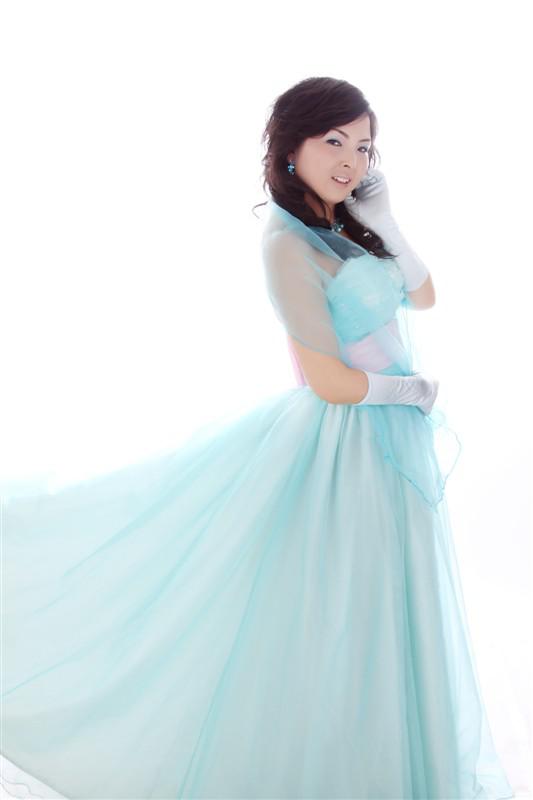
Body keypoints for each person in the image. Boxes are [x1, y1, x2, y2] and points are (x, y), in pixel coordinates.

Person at [0, 76, 514, 800]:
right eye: (333, 141)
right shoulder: (285, 245)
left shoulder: (345, 229)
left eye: (363, 147)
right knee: (342, 613)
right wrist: (409, 391)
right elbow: (328, 380)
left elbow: (422, 294)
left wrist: (388, 223)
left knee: (388, 610)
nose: (351, 160)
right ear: (290, 147)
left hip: (387, 446)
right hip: (347, 447)